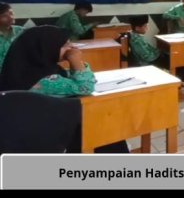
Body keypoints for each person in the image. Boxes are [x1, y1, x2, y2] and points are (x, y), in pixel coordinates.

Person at [0, 25, 129, 153]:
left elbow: (71, 79)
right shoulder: (45, 81)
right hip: (43, 133)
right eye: (65, 45)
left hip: (28, 130)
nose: (72, 47)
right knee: (101, 122)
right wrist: (75, 60)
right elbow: (86, 87)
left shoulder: (26, 70)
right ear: (47, 47)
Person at [128, 15, 184, 82]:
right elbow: (148, 57)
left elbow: (148, 49)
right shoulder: (136, 41)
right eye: (145, 26)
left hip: (153, 58)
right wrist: (158, 52)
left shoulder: (135, 36)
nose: (147, 28)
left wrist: (158, 51)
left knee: (177, 59)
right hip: (148, 63)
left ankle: (179, 82)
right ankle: (180, 83)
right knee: (180, 63)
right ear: (137, 28)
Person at [0, 3, 23, 70]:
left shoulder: (22, 32)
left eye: (11, 13)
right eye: (4, 16)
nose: (11, 17)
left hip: (19, 72)